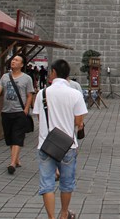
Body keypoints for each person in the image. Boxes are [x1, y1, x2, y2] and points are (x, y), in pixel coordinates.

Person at [33, 58, 87, 219]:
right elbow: (78, 122)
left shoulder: (42, 93)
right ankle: (64, 214)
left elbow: (39, 117)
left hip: (46, 144)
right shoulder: (75, 94)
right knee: (67, 183)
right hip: (68, 146)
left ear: (53, 72)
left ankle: (51, 217)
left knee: (47, 184)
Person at [0, 54, 34, 174]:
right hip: (6, 111)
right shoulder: (5, 76)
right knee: (10, 137)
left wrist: (26, 109)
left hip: (19, 111)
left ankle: (12, 164)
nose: (13, 61)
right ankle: (16, 159)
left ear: (22, 64)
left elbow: (30, 95)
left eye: (17, 60)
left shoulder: (27, 78)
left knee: (17, 137)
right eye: (13, 59)